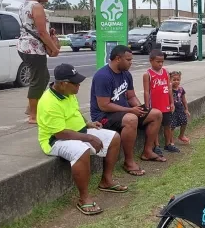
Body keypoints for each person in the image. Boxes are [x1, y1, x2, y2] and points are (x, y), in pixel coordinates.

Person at [37, 63, 127, 216]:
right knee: (81, 150)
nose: (79, 86)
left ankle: (106, 180)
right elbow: (60, 133)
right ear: (63, 84)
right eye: (76, 83)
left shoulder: (68, 93)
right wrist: (89, 137)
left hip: (78, 132)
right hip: (55, 141)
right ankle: (83, 198)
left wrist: (88, 124)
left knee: (114, 137)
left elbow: (74, 113)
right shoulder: (48, 102)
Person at [90, 45, 165, 177]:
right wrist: (131, 110)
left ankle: (147, 151)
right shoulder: (103, 76)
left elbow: (131, 96)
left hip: (124, 111)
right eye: (129, 60)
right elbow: (104, 105)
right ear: (118, 59)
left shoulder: (126, 74)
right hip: (104, 116)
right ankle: (128, 161)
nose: (131, 62)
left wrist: (141, 109)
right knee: (131, 119)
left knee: (156, 114)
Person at [18, 0, 61, 124]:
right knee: (37, 80)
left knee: (43, 77)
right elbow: (42, 32)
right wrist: (54, 49)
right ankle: (33, 116)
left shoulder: (24, 5)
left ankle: (32, 108)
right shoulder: (36, 7)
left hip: (25, 46)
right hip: (33, 48)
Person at [143, 50, 178, 154]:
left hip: (165, 104)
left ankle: (168, 144)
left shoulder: (166, 73)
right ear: (151, 61)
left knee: (168, 125)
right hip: (154, 106)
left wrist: (171, 103)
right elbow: (146, 91)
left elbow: (169, 89)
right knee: (156, 127)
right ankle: (156, 145)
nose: (160, 64)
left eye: (162, 61)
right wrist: (146, 106)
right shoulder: (147, 74)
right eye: (158, 61)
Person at [170, 71, 191, 144]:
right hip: (172, 110)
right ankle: (171, 140)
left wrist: (186, 109)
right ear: (170, 80)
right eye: (174, 80)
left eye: (178, 80)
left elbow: (184, 100)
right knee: (172, 125)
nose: (176, 81)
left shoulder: (181, 89)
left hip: (180, 109)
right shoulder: (169, 90)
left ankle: (181, 135)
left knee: (184, 122)